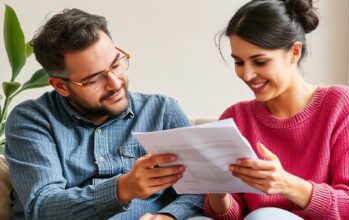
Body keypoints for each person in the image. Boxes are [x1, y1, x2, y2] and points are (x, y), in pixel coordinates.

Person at [4, 9, 203, 220]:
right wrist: (123, 189)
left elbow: (200, 188)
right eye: (94, 79)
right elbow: (43, 207)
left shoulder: (162, 111)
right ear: (61, 86)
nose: (115, 84)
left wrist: (169, 216)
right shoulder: (32, 120)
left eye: (116, 64)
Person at [204, 0, 349, 219]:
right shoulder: (236, 118)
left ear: (294, 52)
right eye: (239, 62)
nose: (247, 75)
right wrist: (217, 193)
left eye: (259, 61)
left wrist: (287, 184)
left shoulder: (341, 106)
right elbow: (230, 215)